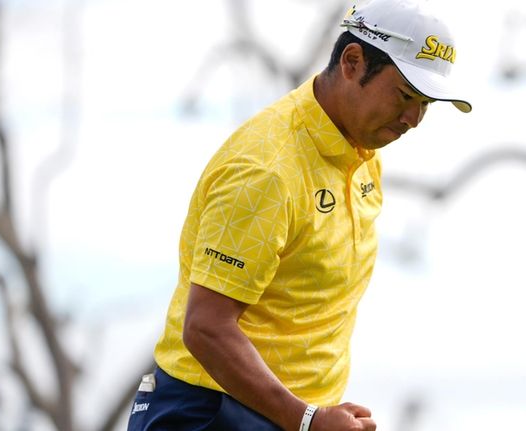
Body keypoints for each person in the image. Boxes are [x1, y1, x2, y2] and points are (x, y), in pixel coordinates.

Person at [127, 0, 471, 430]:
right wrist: (307, 418)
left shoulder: (362, 154)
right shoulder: (266, 169)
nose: (413, 119)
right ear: (352, 62)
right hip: (209, 413)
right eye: (404, 96)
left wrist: (320, 412)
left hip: (285, 414)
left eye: (426, 104)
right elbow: (205, 327)